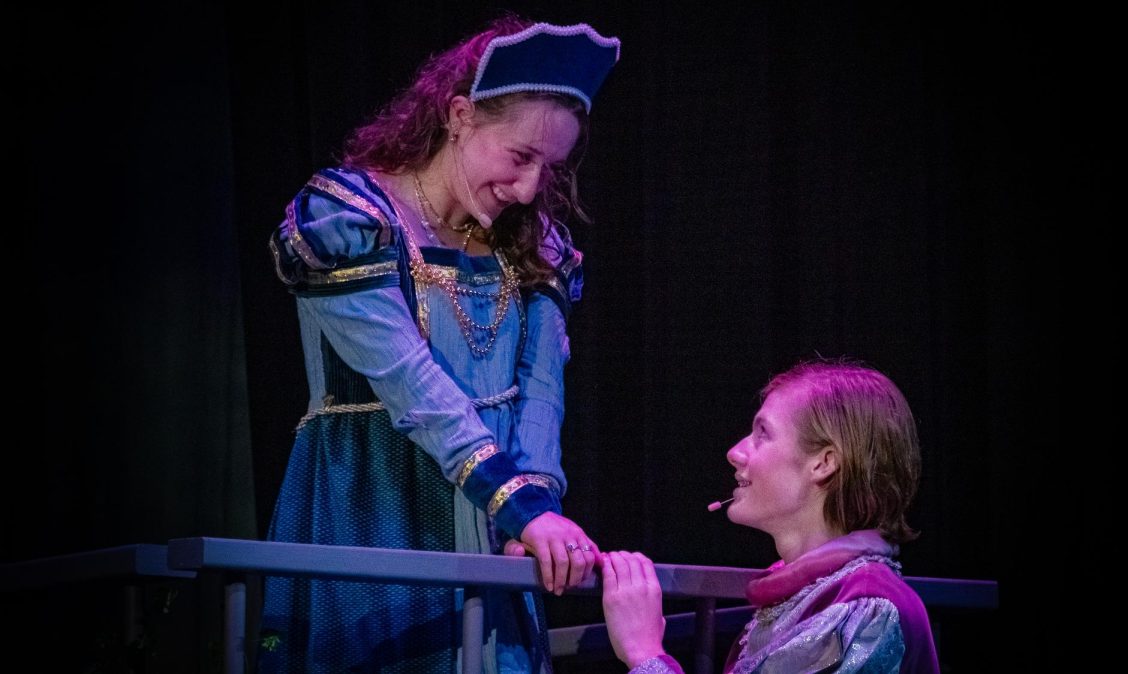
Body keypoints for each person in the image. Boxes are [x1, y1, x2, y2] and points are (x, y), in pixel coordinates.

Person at [259, 16, 620, 673]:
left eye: (550, 165)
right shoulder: (351, 220)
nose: (532, 187)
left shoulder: (536, 249)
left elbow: (541, 398)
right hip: (375, 506)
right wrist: (519, 505)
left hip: (494, 518)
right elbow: (412, 387)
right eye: (519, 156)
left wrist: (531, 514)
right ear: (459, 116)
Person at [600, 359, 940, 673]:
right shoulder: (803, 600)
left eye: (763, 433)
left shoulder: (864, 606)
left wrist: (644, 653)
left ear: (823, 463)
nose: (734, 452)